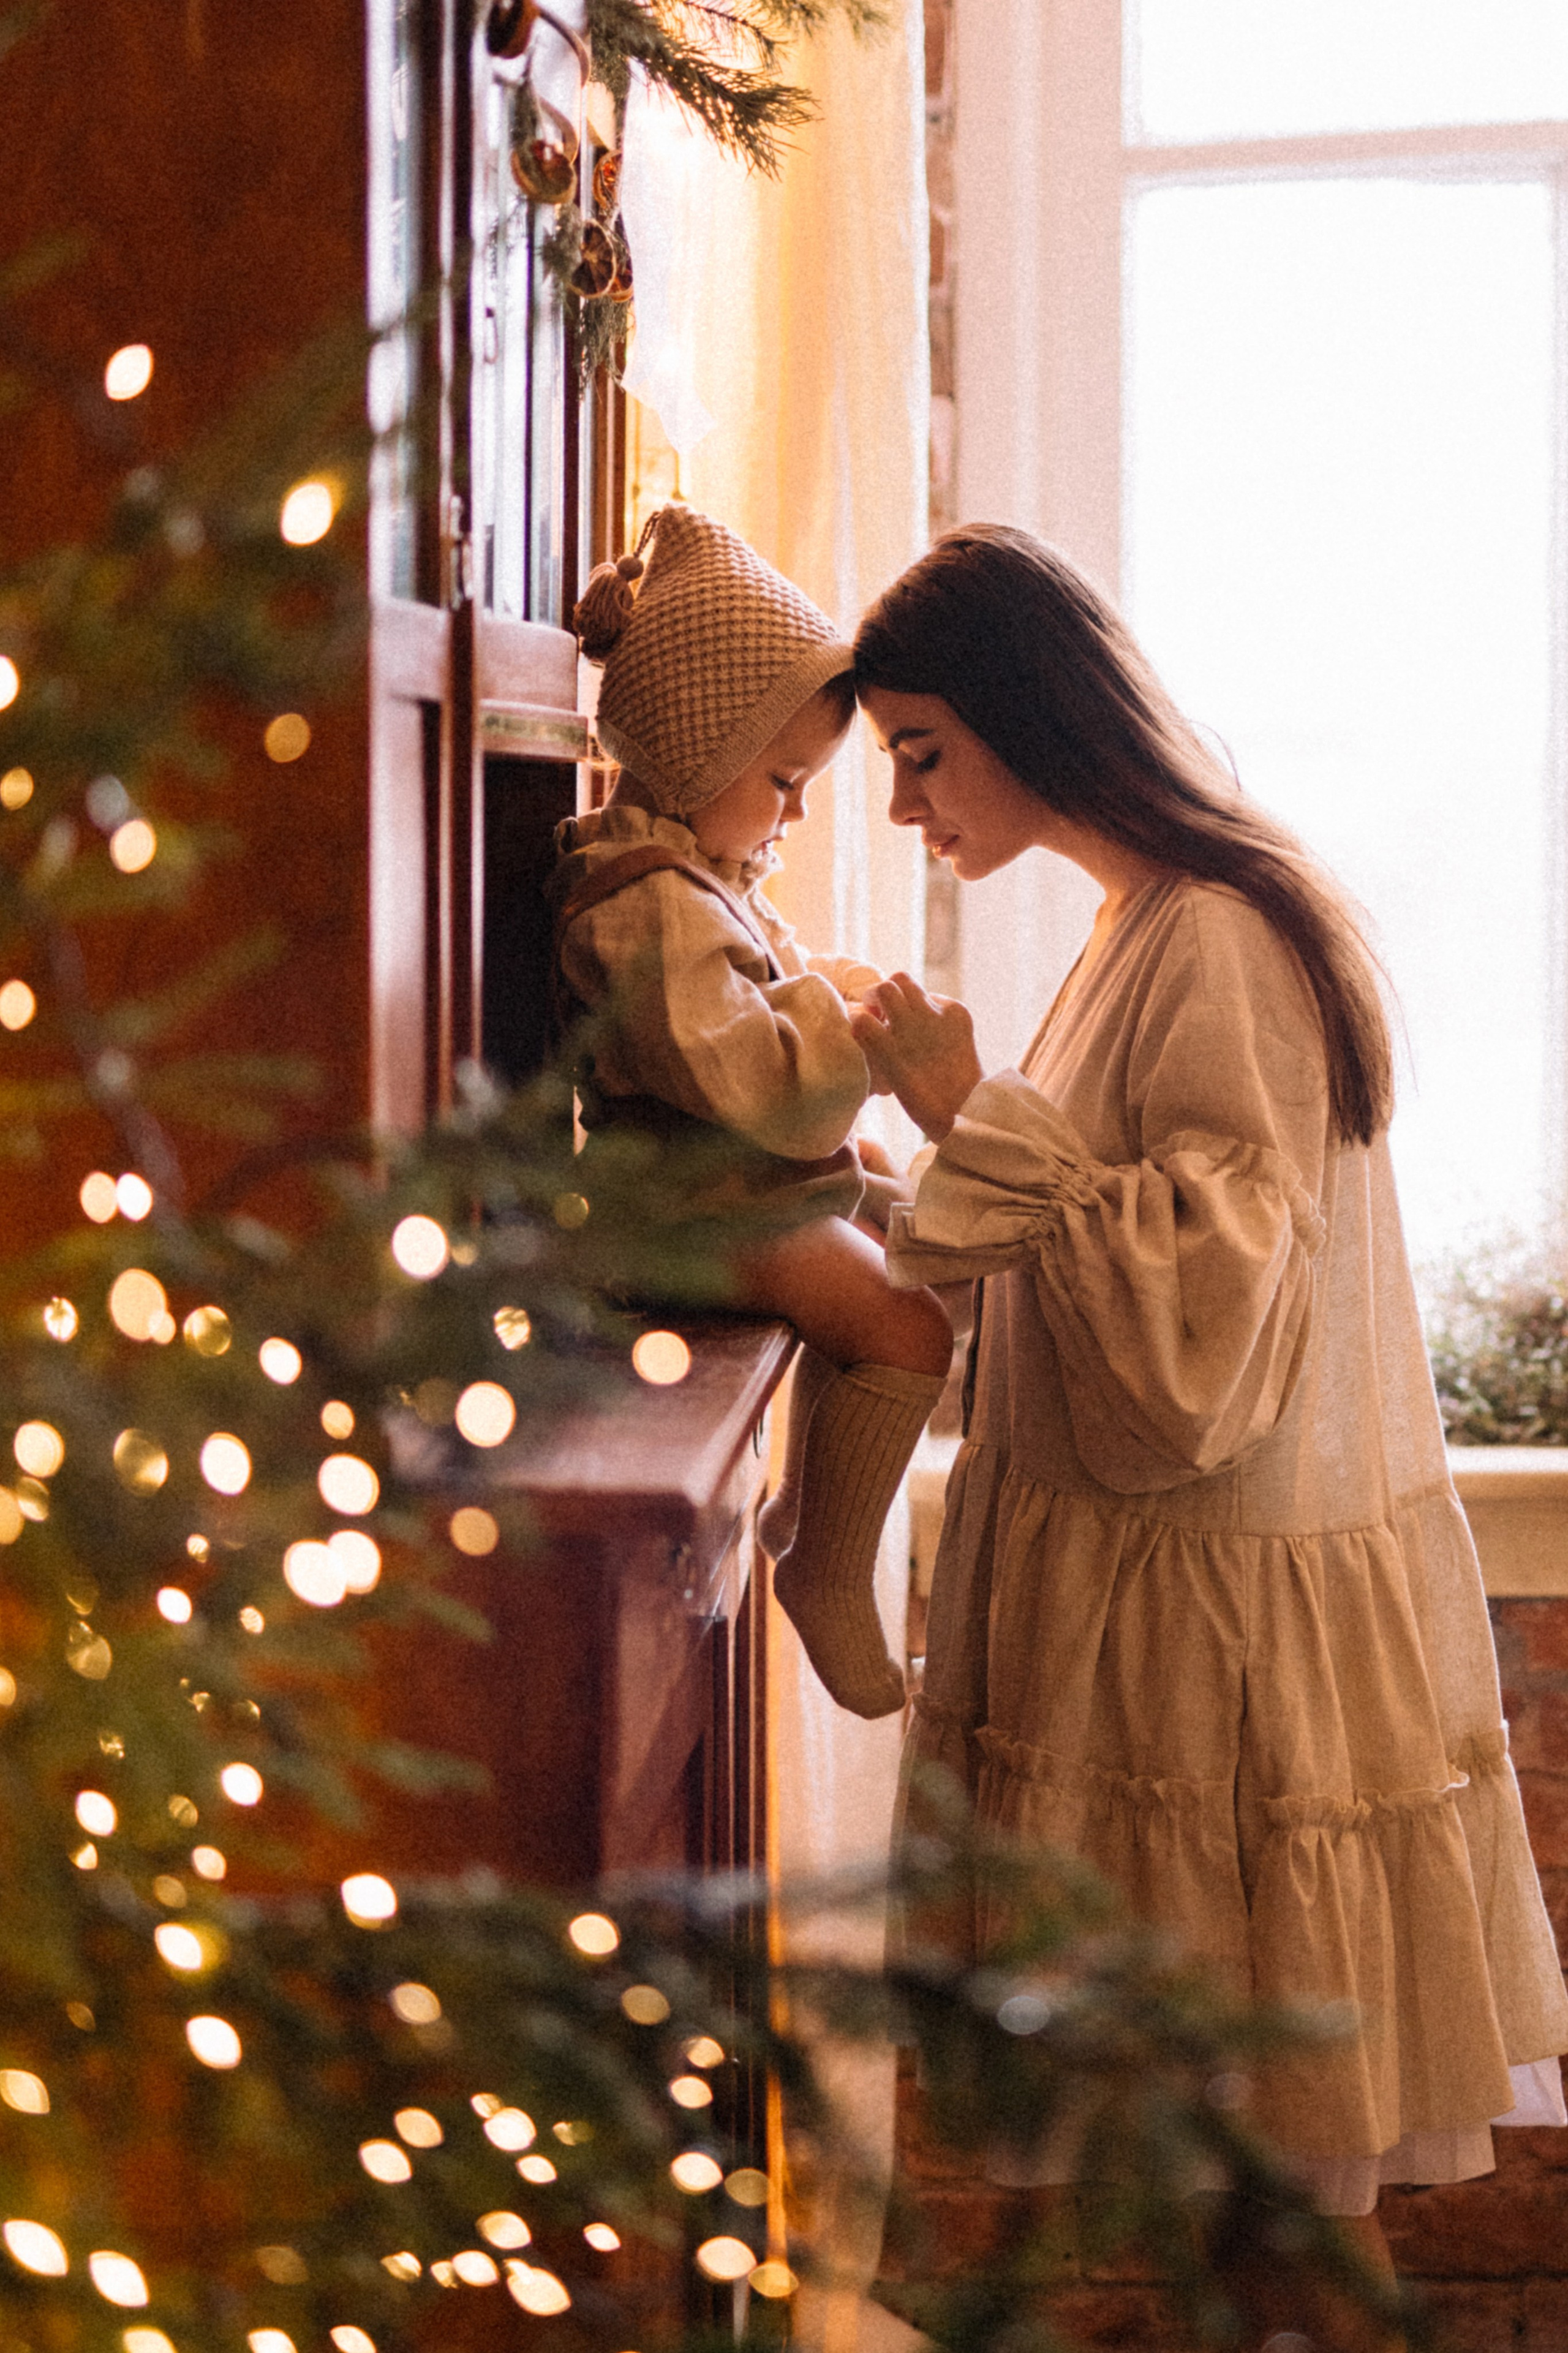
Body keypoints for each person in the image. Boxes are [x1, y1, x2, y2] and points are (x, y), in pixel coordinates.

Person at [846, 524, 1568, 2257]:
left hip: (1221, 1655)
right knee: (1198, 2191)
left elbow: (1207, 1326)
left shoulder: (1222, 933)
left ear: (1031, 713)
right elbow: (1085, 1225)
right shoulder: (1132, 924)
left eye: (922, 753)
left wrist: (964, 1116)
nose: (904, 810)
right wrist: (879, 1198)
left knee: (1261, 2184)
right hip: (1154, 1619)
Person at [551, 502, 951, 1720]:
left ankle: (805, 1507)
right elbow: (741, 1073)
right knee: (908, 1327)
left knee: (920, 1225)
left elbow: (768, 989)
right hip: (683, 1212)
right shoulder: (640, 905)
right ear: (691, 751)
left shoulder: (694, 877)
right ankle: (824, 1564)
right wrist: (855, 1045)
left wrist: (841, 996)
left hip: (721, 1183)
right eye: (781, 783)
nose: (792, 814)